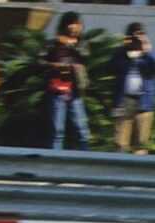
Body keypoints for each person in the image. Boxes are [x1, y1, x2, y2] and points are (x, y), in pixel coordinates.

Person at [108, 23, 155, 154]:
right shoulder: (120, 52)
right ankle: (118, 171)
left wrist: (147, 51)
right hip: (124, 100)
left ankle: (139, 172)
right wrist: (123, 49)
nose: (137, 38)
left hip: (144, 101)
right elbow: (110, 68)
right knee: (119, 143)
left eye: (141, 34)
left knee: (141, 143)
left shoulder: (148, 52)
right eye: (135, 34)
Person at [44, 12, 91, 151]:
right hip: (56, 90)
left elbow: (85, 56)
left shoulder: (82, 44)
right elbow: (38, 61)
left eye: (77, 24)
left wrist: (70, 45)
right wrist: (53, 65)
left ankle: (85, 159)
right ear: (65, 25)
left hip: (74, 91)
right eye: (72, 24)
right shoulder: (52, 44)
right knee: (57, 132)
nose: (75, 27)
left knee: (81, 130)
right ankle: (54, 161)